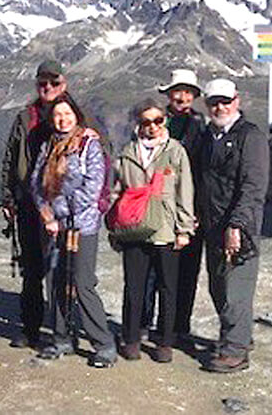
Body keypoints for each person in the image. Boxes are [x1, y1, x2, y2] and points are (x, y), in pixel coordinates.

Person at [31, 94, 117, 368]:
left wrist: (58, 211)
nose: (62, 119)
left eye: (67, 114)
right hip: (53, 225)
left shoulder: (88, 145)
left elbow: (92, 187)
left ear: (76, 115)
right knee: (56, 281)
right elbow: (36, 181)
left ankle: (103, 344)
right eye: (57, 115)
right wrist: (45, 212)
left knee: (82, 283)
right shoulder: (48, 146)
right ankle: (61, 338)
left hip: (83, 226)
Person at [112, 98, 195, 364]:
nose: (152, 127)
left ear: (164, 122)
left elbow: (185, 192)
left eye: (157, 121)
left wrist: (184, 229)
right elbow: (116, 192)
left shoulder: (175, 151)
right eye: (146, 122)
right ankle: (132, 339)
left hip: (166, 230)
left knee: (167, 288)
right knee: (133, 288)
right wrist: (114, 227)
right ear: (139, 124)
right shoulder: (127, 154)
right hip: (134, 230)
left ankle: (164, 342)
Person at [196, 79, 268, 373]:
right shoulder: (207, 137)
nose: (220, 107)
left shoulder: (250, 137)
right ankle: (239, 337)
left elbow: (253, 186)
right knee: (218, 287)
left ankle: (235, 351)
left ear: (237, 101)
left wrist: (236, 224)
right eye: (214, 102)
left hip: (240, 227)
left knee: (236, 287)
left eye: (225, 101)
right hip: (213, 226)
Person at [0, 59, 67, 349]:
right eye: (43, 83)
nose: (48, 88)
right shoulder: (25, 118)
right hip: (28, 203)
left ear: (63, 84)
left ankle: (61, 331)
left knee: (61, 270)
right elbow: (10, 157)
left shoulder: (72, 115)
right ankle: (30, 329)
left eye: (53, 83)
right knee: (32, 269)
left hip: (62, 206)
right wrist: (8, 195)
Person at [159, 69, 207, 343]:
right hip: (159, 207)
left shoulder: (201, 126)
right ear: (169, 94)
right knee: (159, 271)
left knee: (188, 271)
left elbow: (204, 172)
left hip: (191, 209)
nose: (183, 97)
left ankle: (180, 327)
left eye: (188, 92)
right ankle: (157, 325)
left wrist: (197, 211)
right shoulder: (155, 121)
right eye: (178, 91)